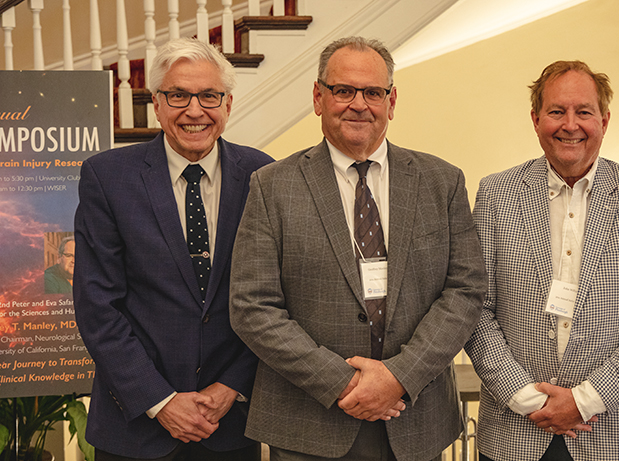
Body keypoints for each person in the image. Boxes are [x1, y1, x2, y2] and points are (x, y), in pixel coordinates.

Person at [228, 36, 486, 461]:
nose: (358, 104)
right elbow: (252, 307)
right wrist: (345, 383)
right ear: (318, 97)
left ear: (392, 100)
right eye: (343, 90)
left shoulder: (442, 181)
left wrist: (398, 378)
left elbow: (465, 291)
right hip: (308, 423)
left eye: (372, 92)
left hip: (415, 418)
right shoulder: (272, 186)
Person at [464, 60, 619, 461]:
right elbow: (476, 305)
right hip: (515, 431)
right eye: (556, 111)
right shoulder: (496, 193)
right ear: (535, 119)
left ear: (604, 120)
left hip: (611, 430)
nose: (571, 124)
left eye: (584, 111)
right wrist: (528, 399)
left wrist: (585, 400)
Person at [74, 38, 274, 460]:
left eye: (209, 96)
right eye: (178, 95)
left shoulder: (263, 175)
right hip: (134, 431)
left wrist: (231, 386)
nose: (194, 110)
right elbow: (98, 306)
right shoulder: (108, 177)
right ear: (157, 103)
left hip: (230, 426)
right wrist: (161, 401)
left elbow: (276, 299)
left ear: (228, 104)